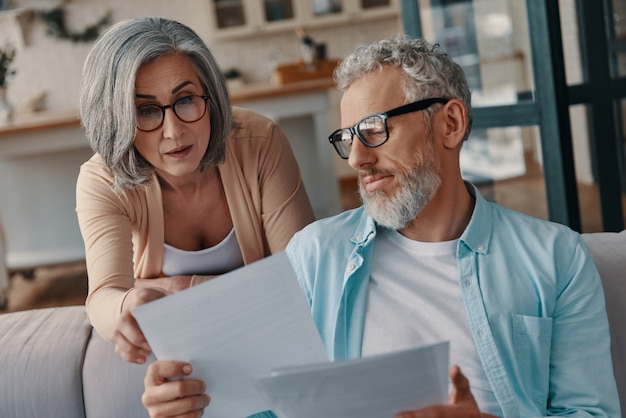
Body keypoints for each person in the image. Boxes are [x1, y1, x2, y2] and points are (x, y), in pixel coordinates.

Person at [141, 34, 621, 417]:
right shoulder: (314, 256)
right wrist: (194, 407)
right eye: (347, 138)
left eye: (374, 130)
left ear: (450, 124)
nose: (356, 158)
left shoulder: (555, 258)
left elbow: (590, 412)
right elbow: (269, 408)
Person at [76, 17, 315, 365]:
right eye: (146, 110)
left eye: (186, 100)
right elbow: (103, 300)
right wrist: (129, 303)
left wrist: (174, 288)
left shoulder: (260, 141)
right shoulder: (101, 179)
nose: (174, 131)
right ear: (117, 119)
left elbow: (303, 281)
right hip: (187, 355)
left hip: (272, 340)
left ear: (211, 96)